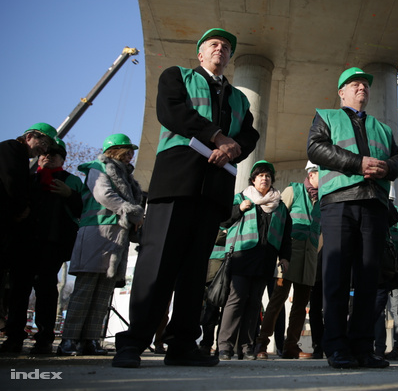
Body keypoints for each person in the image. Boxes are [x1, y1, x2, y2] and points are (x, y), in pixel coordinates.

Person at [113, 28, 259, 368]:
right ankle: (134, 341)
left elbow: (250, 133)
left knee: (195, 272)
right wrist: (217, 136)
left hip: (214, 189)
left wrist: (232, 149)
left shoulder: (239, 98)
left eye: (226, 47)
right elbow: (171, 111)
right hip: (177, 180)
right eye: (214, 44)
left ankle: (182, 344)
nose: (220, 49)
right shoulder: (176, 77)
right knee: (158, 263)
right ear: (200, 54)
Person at [307, 66, 398, 369]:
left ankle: (362, 346)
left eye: (365, 84)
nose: (362, 88)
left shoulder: (382, 127)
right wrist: (358, 164)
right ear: (342, 93)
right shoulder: (327, 117)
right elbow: (315, 147)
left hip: (374, 204)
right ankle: (336, 346)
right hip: (339, 201)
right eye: (354, 84)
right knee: (336, 277)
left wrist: (387, 169)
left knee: (368, 278)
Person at [58, 134, 144, 357]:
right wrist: (132, 212)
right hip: (97, 234)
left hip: (117, 236)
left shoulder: (127, 177)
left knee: (102, 294)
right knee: (85, 290)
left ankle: (89, 339)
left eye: (131, 151)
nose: (130, 155)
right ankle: (68, 340)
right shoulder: (99, 167)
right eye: (126, 150)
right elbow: (104, 194)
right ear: (113, 151)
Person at [1, 134, 81, 355]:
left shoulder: (70, 180)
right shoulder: (28, 176)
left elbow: (82, 208)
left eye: (53, 154)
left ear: (62, 159)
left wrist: (70, 195)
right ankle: (14, 338)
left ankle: (44, 339)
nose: (47, 157)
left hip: (52, 243)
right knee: (19, 290)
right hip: (24, 243)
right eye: (44, 154)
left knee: (46, 290)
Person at [217, 160, 292, 361]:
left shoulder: (280, 206)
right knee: (236, 300)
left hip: (265, 260)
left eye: (268, 176)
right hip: (242, 257)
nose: (264, 178)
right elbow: (223, 220)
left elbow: (285, 235)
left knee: (254, 304)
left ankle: (247, 346)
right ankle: (225, 346)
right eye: (260, 175)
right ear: (253, 179)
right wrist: (239, 209)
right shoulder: (241, 198)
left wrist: (285, 257)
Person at [0, 123, 57, 354]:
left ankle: (13, 335)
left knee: (18, 285)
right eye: (41, 143)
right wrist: (21, 207)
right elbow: (10, 182)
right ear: (29, 136)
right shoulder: (12, 150)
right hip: (8, 226)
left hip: (14, 232)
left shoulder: (22, 159)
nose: (42, 150)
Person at [254, 161, 320, 360]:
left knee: (301, 306)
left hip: (309, 260)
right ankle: (261, 344)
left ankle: (291, 346)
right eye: (322, 174)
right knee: (276, 301)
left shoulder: (323, 202)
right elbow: (277, 219)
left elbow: (320, 232)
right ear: (311, 175)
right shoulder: (293, 190)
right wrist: (277, 254)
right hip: (289, 257)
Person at [374, 202, 398, 361]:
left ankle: (379, 349)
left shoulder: (379, 212)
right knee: (397, 309)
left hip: (381, 270)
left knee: (378, 309)